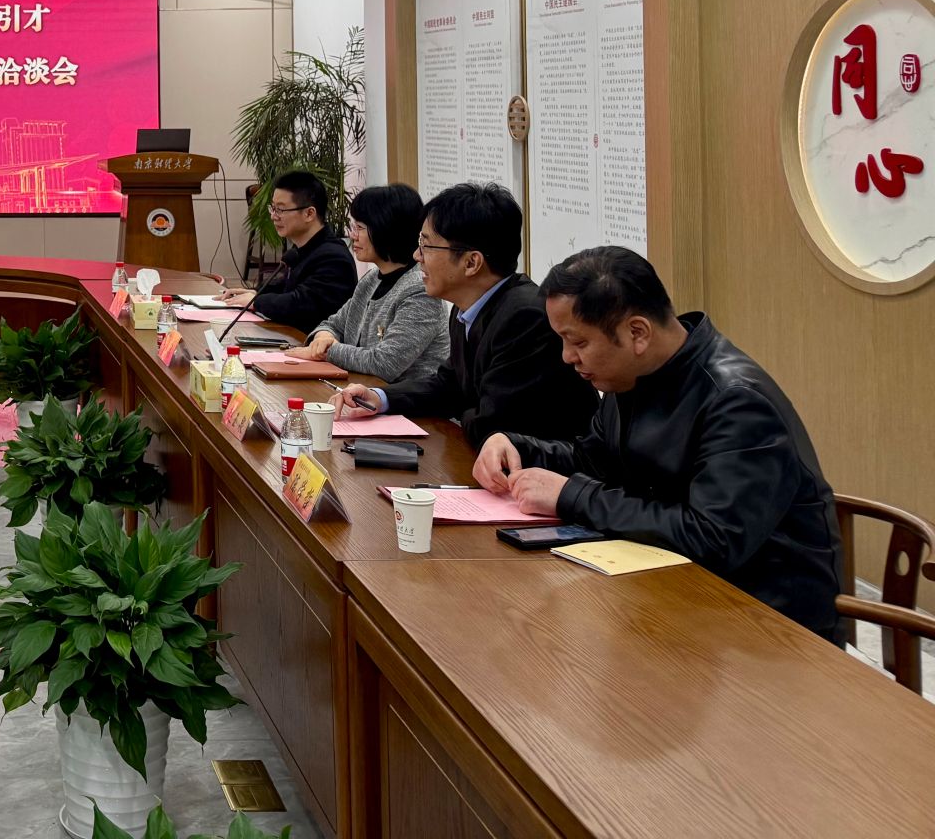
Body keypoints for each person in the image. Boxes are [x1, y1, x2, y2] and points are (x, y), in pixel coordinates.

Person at [474, 247, 842, 639]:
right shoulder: (632, 374)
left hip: (765, 624)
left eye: (577, 342)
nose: (567, 357)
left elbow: (713, 538)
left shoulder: (735, 400)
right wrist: (516, 448)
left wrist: (571, 496)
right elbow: (593, 459)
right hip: (668, 591)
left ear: (637, 333)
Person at [335, 182, 596, 443]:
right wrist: (380, 397)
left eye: (427, 246)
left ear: (471, 262)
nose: (417, 256)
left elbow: (491, 423)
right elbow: (448, 385)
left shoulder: (525, 319)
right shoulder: (468, 306)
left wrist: (457, 409)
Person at [283, 183, 449, 381]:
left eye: (360, 228)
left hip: (404, 399)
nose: (353, 235)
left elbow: (385, 364)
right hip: (361, 389)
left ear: (386, 230)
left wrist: (327, 350)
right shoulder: (372, 279)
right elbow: (332, 324)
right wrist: (323, 337)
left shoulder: (420, 291)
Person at [218, 170, 357, 330]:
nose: (273, 216)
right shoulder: (304, 249)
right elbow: (285, 287)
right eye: (273, 208)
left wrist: (256, 302)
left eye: (281, 210)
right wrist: (254, 293)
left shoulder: (333, 257)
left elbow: (301, 304)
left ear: (309, 213)